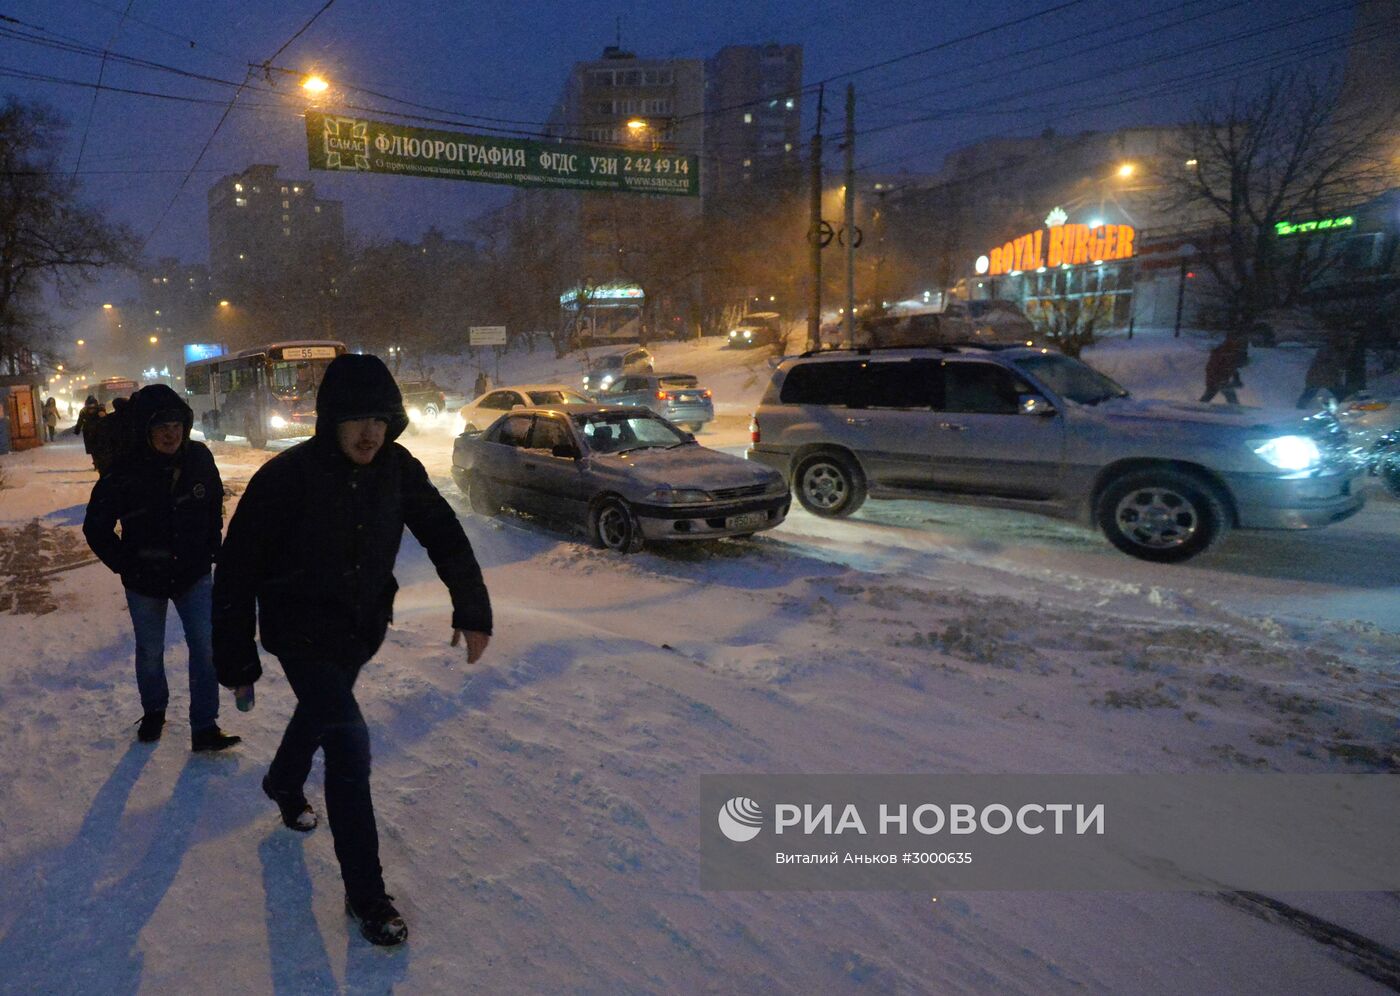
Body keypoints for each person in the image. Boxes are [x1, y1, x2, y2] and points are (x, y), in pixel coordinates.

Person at [212, 353, 493, 947]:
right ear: (330, 420)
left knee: (322, 711)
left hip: (362, 629)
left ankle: (283, 782)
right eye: (357, 419)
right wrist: (236, 660)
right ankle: (367, 895)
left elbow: (444, 532)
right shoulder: (285, 477)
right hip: (300, 632)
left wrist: (471, 608)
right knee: (347, 740)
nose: (370, 433)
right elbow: (236, 570)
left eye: (380, 420)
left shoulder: (398, 469)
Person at [83, 384, 239, 752]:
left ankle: (205, 726)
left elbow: (214, 501)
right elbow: (96, 527)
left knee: (205, 647)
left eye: (175, 424)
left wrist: (210, 545)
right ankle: (154, 710)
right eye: (160, 426)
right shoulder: (124, 471)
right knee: (150, 650)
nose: (170, 433)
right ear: (146, 430)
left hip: (193, 574)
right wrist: (126, 565)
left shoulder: (200, 458)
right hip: (144, 581)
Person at [1297, 335, 1347, 409]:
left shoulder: (1328, 351)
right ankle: (1345, 406)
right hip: (1324, 378)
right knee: (1339, 393)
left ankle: (1299, 407)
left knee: (1310, 392)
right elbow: (1330, 366)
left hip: (1319, 378)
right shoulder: (1330, 352)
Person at [1199, 334, 1248, 404]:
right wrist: (1218, 379)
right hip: (1216, 378)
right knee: (1224, 392)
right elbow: (1212, 367)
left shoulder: (1232, 353)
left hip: (1221, 379)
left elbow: (1233, 368)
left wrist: (1237, 379)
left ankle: (1201, 404)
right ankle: (1234, 407)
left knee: (1212, 393)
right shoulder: (1223, 352)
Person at [72, 395, 106, 464]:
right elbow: (106, 419)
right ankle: (99, 462)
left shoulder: (83, 411)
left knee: (92, 448)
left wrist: (77, 430)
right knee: (99, 447)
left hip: (88, 432)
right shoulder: (99, 409)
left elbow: (80, 421)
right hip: (99, 431)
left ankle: (96, 462)